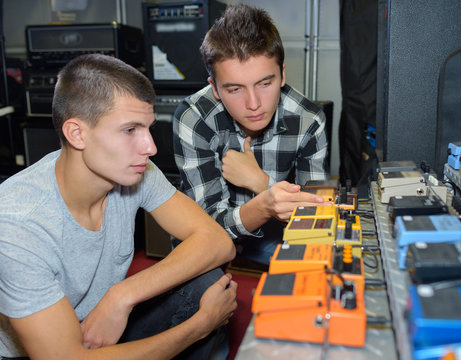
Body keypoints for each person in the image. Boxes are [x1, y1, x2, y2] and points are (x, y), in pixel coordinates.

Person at [0, 53, 238, 360]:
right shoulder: (16, 224)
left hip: (102, 322)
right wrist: (198, 327)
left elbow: (217, 243)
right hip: (37, 352)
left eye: (148, 128)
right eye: (130, 130)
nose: (150, 147)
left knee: (207, 283)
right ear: (77, 133)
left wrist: (121, 295)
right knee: (203, 312)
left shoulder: (133, 171)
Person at [173, 4, 330, 265]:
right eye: (235, 89)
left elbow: (315, 218)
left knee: (318, 262)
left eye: (265, 83)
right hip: (206, 239)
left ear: (282, 74)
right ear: (214, 88)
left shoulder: (308, 120)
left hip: (272, 237)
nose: (254, 103)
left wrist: (260, 182)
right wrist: (267, 203)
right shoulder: (194, 118)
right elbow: (206, 227)